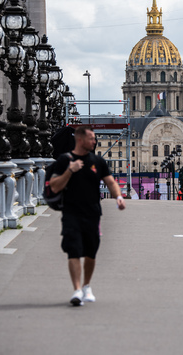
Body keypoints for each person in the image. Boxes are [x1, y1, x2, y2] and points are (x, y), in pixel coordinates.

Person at [49, 126, 126, 306]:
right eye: (92, 138)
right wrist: (70, 170)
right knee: (73, 250)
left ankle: (86, 285)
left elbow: (110, 182)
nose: (95, 142)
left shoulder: (97, 161)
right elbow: (54, 186)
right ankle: (76, 290)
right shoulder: (64, 160)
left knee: (91, 252)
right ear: (80, 140)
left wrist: (119, 197)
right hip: (71, 212)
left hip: (92, 213)